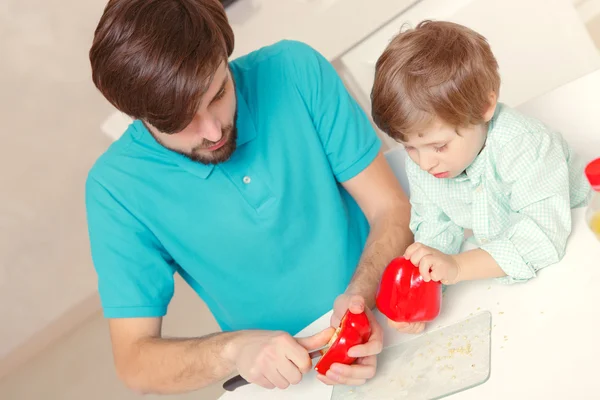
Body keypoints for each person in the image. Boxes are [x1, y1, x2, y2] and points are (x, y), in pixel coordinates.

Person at [85, 0, 413, 394]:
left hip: (393, 309)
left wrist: (362, 296)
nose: (212, 131)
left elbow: (389, 206)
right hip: (284, 382)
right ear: (139, 116)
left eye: (218, 93)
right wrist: (234, 351)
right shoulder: (115, 189)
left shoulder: (295, 69)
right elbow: (134, 362)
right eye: (182, 123)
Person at [370, 20, 591, 333]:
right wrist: (425, 291)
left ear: (485, 106)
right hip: (525, 279)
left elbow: (543, 236)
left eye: (438, 145)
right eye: (410, 148)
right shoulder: (426, 162)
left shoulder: (523, 143)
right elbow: (435, 229)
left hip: (582, 239)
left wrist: (458, 266)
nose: (424, 163)